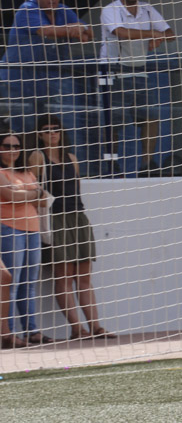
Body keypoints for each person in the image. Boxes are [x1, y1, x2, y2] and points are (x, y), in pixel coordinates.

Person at [29, 115, 112, 339]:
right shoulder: (38, 157)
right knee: (64, 276)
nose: (52, 133)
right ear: (39, 134)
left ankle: (96, 326)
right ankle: (77, 328)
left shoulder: (72, 158)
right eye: (46, 130)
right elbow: (33, 191)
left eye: (56, 129)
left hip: (77, 217)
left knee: (84, 277)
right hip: (55, 218)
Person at [0, 0, 94, 171]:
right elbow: (46, 31)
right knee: (22, 129)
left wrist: (78, 28)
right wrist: (72, 30)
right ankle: (21, 173)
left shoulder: (63, 10)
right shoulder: (27, 9)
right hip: (17, 81)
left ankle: (60, 170)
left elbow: (87, 34)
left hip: (46, 81)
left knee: (53, 129)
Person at [99, 0, 177, 176]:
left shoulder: (148, 9)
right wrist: (152, 34)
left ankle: (147, 164)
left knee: (150, 117)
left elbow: (170, 33)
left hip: (139, 71)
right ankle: (111, 164)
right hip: (113, 71)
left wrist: (158, 39)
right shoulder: (110, 10)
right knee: (114, 120)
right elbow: (121, 32)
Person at [0, 131, 47, 344]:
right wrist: (33, 194)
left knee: (29, 283)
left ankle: (32, 331)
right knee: (12, 282)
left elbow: (43, 199)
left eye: (16, 146)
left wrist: (27, 195)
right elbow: (10, 195)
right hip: (9, 229)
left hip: (33, 229)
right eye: (7, 146)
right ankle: (8, 332)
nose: (12, 150)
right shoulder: (1, 171)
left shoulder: (26, 172)